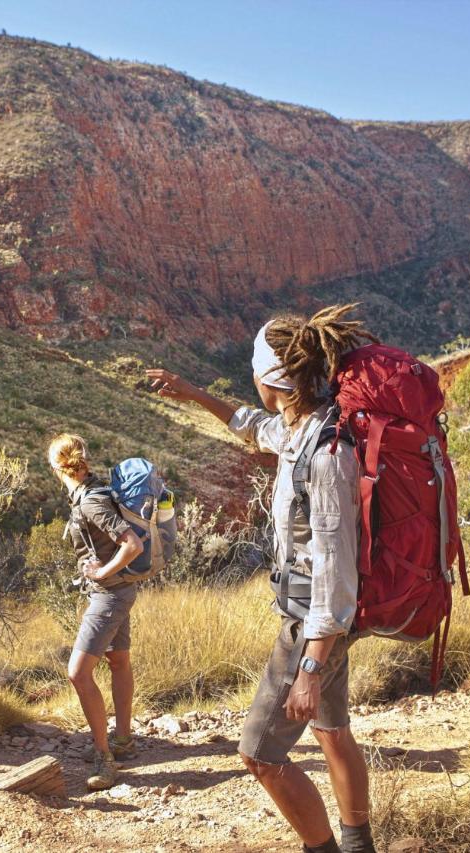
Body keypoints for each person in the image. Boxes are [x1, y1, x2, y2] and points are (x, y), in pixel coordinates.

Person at [147, 304, 378, 853]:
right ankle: (357, 843)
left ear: (269, 377)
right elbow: (256, 430)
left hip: (311, 625)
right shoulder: (302, 425)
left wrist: (310, 667)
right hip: (321, 622)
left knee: (259, 754)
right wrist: (192, 392)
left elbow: (335, 568)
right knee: (330, 731)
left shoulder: (324, 454)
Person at [48, 434, 145, 792]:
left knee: (78, 673)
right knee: (118, 661)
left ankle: (104, 756)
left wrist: (103, 573)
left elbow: (131, 545)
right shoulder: (94, 492)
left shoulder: (91, 503)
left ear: (58, 468)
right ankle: (123, 739)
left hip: (109, 595)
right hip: (119, 591)